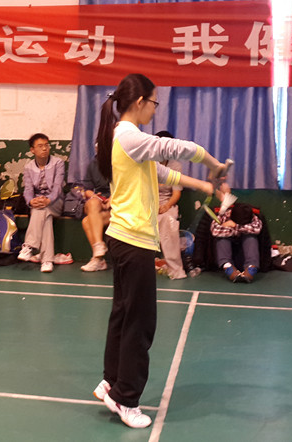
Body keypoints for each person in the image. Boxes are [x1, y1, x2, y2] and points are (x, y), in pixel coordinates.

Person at [91, 74, 228, 429]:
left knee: (123, 315)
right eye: (154, 102)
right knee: (140, 324)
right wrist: (211, 162)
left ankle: (110, 381)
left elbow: (160, 174)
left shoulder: (123, 138)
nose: (155, 109)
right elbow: (176, 148)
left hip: (123, 238)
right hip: (133, 242)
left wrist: (203, 185)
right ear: (140, 103)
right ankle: (126, 399)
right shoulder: (130, 136)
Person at [17, 133, 64, 273]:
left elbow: (58, 187)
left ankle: (29, 246)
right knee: (43, 214)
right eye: (40, 146)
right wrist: (31, 201)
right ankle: (47, 261)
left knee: (43, 209)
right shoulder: (28, 167)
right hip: (39, 203)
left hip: (56, 202)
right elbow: (28, 190)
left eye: (46, 145)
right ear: (32, 150)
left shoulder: (58, 163)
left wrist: (49, 199)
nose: (44, 149)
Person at [155, 130, 187, 280]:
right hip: (147, 203)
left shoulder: (175, 166)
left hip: (167, 203)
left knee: (168, 221)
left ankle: (175, 269)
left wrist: (166, 207)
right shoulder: (146, 163)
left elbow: (176, 194)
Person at [211, 201, 262, 283]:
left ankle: (251, 268)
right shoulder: (223, 216)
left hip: (244, 255)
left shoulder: (252, 216)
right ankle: (228, 267)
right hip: (228, 256)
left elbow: (256, 229)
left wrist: (235, 226)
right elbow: (215, 230)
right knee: (222, 239)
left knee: (251, 237)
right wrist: (241, 229)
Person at [80, 156, 111, 272]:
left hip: (119, 204)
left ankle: (98, 260)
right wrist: (95, 197)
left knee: (86, 222)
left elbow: (125, 187)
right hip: (100, 201)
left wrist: (112, 199)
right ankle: (99, 245)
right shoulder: (93, 164)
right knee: (93, 202)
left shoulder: (121, 160)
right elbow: (87, 189)